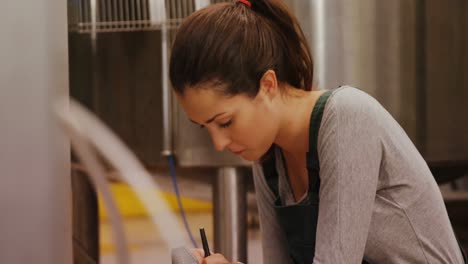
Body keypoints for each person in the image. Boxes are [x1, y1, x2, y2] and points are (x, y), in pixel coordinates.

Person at [169, 0, 467, 263]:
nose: (219, 143)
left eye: (225, 122)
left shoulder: (346, 117)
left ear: (268, 85)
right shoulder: (268, 159)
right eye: (204, 127)